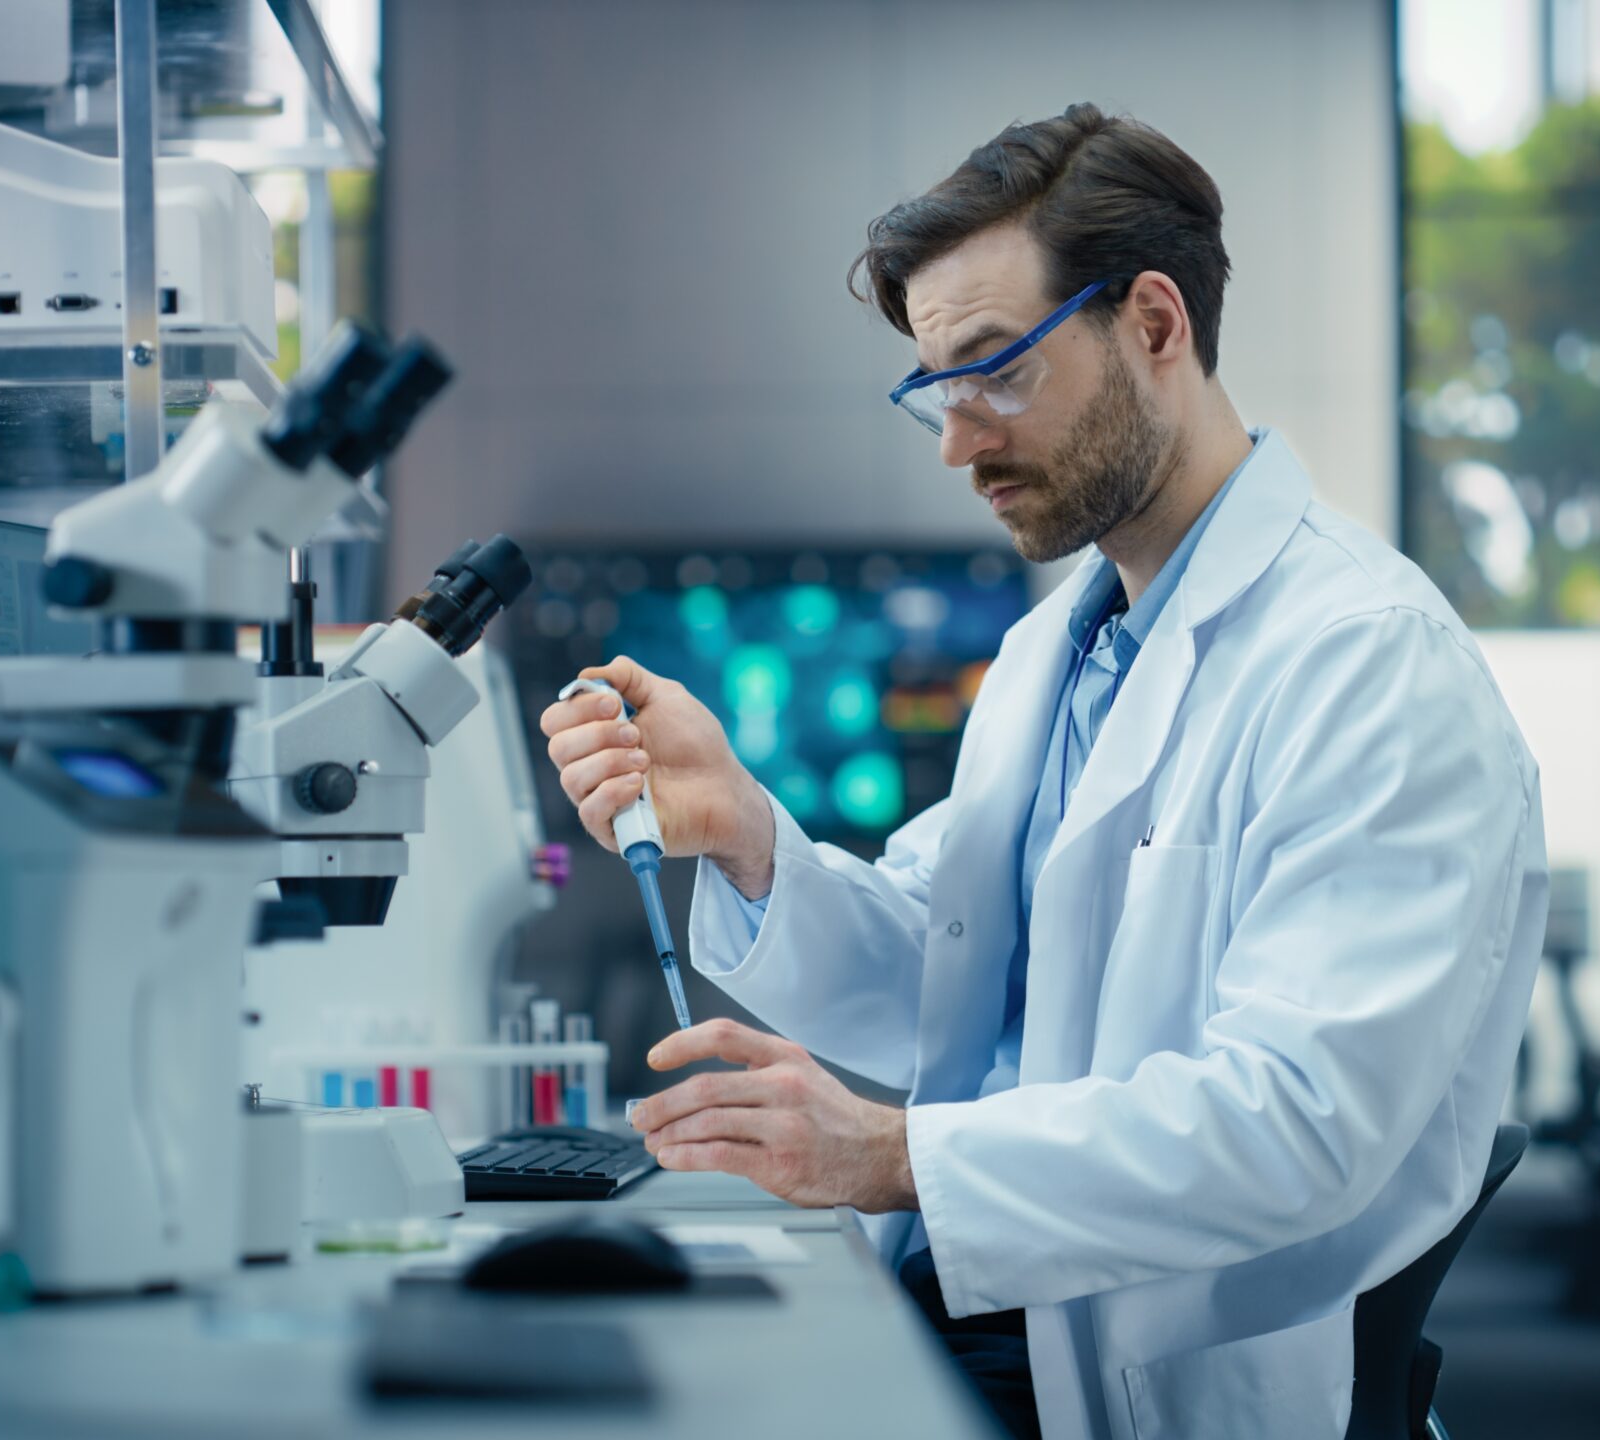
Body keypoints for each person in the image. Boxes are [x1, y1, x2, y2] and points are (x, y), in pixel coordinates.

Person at [538, 103, 1546, 1440]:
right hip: (992, 1310)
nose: (958, 444)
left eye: (995, 373)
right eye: (936, 391)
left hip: (1167, 1370)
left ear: (1154, 323)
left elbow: (1301, 1120)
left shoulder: (1368, 663)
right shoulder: (1054, 657)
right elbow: (956, 975)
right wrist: (744, 833)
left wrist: (891, 1155)